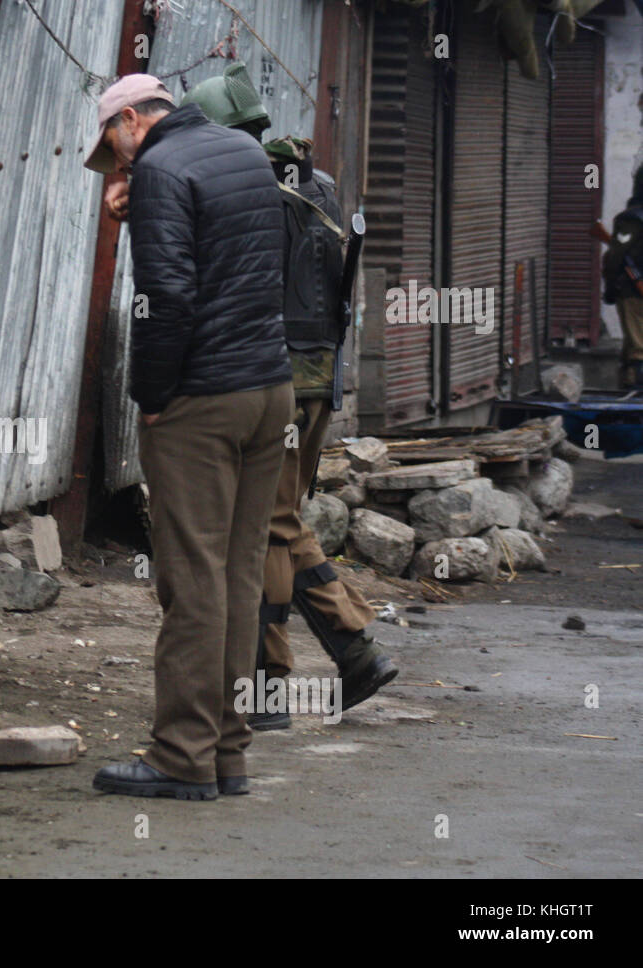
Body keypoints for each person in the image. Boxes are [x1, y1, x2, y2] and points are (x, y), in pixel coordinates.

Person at [84, 75, 294, 800]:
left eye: (113, 147)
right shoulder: (241, 152)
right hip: (270, 390)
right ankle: (226, 752)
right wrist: (138, 201)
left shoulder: (164, 171)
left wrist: (152, 395)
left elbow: (164, 295)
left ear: (133, 121)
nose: (115, 166)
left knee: (190, 581)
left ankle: (180, 755)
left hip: (203, 399)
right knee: (237, 576)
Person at [180, 68, 399, 730]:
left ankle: (349, 648)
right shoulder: (317, 183)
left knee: (273, 524)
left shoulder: (247, 189)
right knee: (271, 525)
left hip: (273, 381)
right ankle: (267, 683)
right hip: (317, 382)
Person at [604, 165, 643, 388]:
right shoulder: (633, 219)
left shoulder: (631, 219)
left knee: (637, 347)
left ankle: (633, 391)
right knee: (635, 346)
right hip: (635, 287)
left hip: (632, 290)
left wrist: (610, 288)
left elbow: (615, 259)